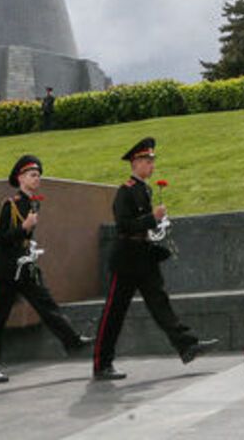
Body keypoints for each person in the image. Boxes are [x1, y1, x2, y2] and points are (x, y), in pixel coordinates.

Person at [92, 137, 216, 380]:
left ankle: (186, 346)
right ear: (135, 162)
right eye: (147, 160)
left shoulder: (145, 189)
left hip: (144, 256)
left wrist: (157, 224)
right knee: (114, 312)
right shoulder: (125, 191)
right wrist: (152, 217)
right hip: (127, 257)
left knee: (160, 303)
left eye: (152, 160)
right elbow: (124, 225)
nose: (151, 165)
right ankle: (101, 363)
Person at [0, 154, 93, 384]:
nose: (37, 178)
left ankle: (72, 340)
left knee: (46, 304)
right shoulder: (9, 205)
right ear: (20, 178)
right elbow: (0, 239)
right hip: (7, 269)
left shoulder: (34, 203)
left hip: (26, 266)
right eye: (32, 175)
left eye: (38, 175)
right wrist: (23, 228)